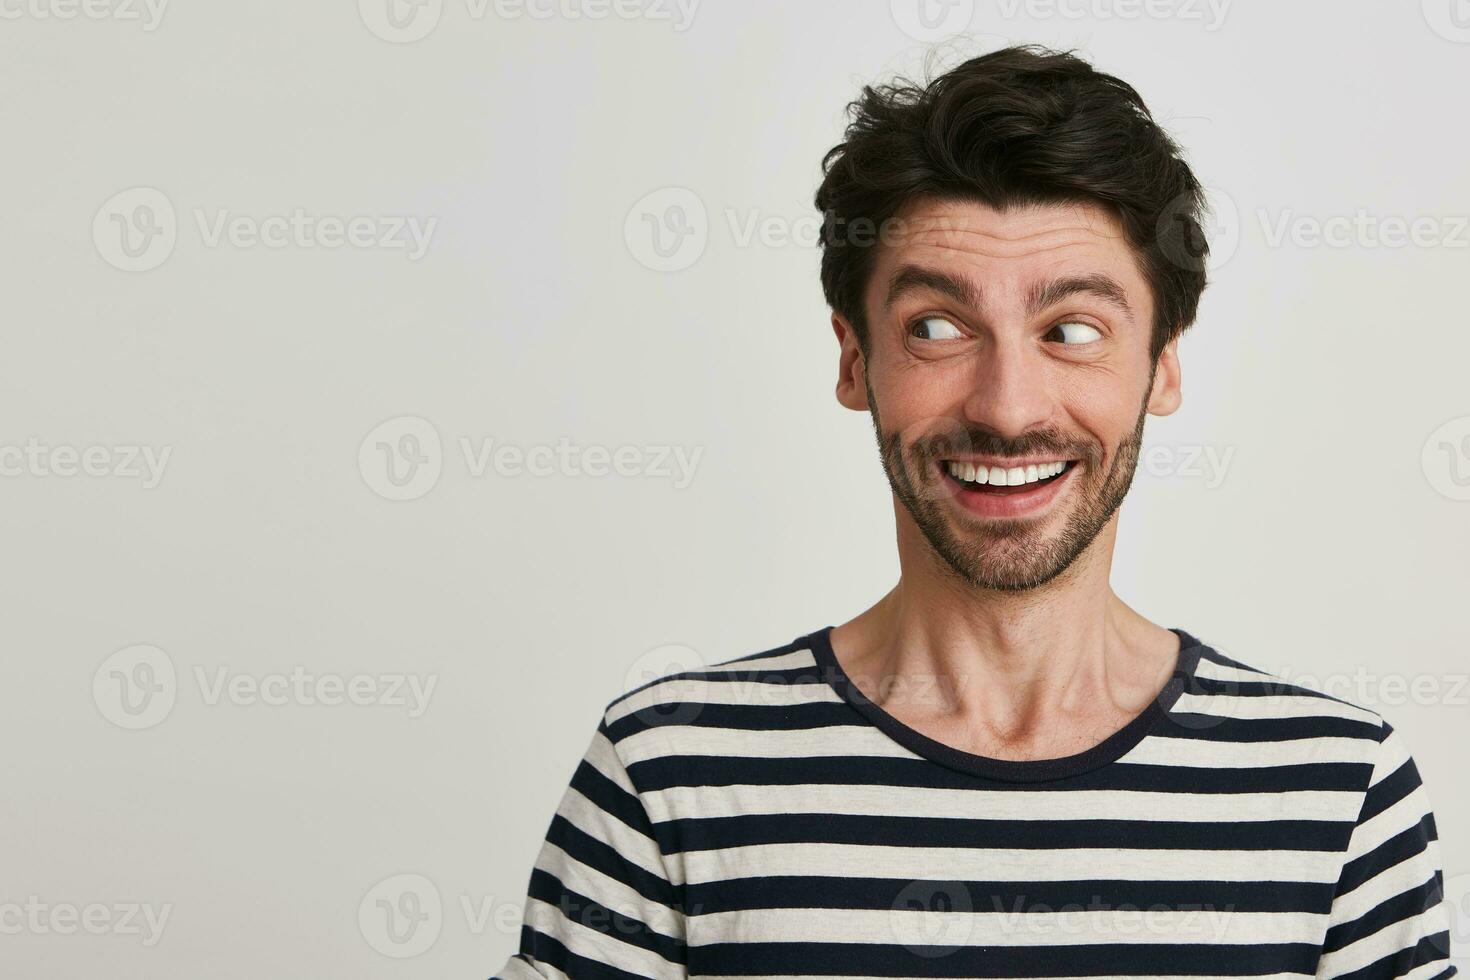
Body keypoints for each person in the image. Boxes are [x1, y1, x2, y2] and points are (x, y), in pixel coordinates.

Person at [493, 45, 1456, 979]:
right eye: (938, 328)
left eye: (1072, 330)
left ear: (1162, 363)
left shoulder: (1336, 794)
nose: (1007, 406)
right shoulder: (668, 777)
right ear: (854, 359)